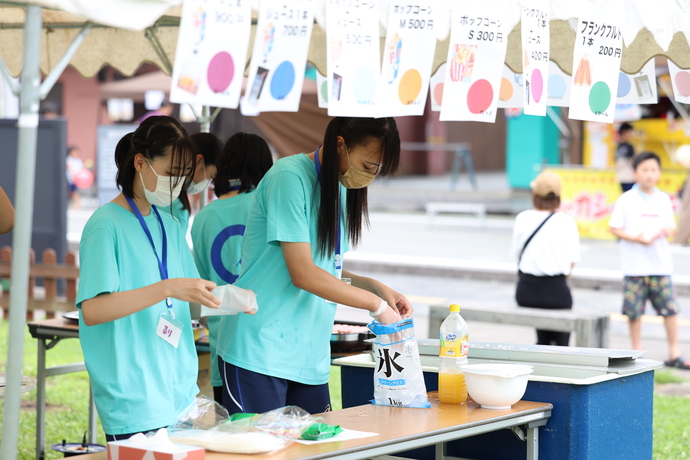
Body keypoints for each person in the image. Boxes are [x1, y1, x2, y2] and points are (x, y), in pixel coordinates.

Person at [216, 117, 413, 416]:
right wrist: (375, 306)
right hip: (260, 351)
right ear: (340, 146)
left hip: (308, 356)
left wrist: (374, 286)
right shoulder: (289, 177)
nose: (369, 176)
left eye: (377, 170)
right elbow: (303, 273)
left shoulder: (340, 186)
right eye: (368, 166)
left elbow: (326, 267)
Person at [76, 116, 221, 440]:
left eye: (183, 176)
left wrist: (232, 300)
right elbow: (94, 310)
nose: (178, 184)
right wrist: (166, 288)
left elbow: (193, 300)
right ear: (140, 163)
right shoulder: (105, 225)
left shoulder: (170, 224)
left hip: (180, 394)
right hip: (133, 398)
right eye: (171, 174)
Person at [191, 132, 274, 404]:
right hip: (271, 345)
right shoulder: (269, 206)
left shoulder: (203, 218)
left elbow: (202, 289)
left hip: (223, 349)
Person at [609, 151, 690, 369]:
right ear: (635, 173)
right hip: (634, 265)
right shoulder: (626, 199)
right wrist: (636, 238)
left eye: (653, 170)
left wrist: (665, 231)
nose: (649, 174)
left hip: (660, 265)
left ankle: (674, 351)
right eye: (645, 170)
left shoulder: (663, 199)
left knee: (669, 309)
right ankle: (636, 351)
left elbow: (671, 226)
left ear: (659, 173)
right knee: (634, 312)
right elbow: (614, 227)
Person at [510, 171, 580, 346]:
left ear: (535, 195)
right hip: (556, 291)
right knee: (562, 341)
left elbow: (516, 255)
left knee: (543, 338)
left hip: (527, 292)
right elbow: (572, 261)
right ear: (558, 196)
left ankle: (541, 347)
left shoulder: (522, 218)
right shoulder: (566, 221)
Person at [158, 132, 221, 234]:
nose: (207, 183)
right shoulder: (174, 207)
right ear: (198, 161)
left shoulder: (164, 195)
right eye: (210, 177)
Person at [615, 123, 636, 193]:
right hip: (630, 177)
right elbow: (633, 162)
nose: (632, 135)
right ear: (624, 132)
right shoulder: (629, 147)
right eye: (630, 132)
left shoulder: (618, 147)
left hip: (621, 177)